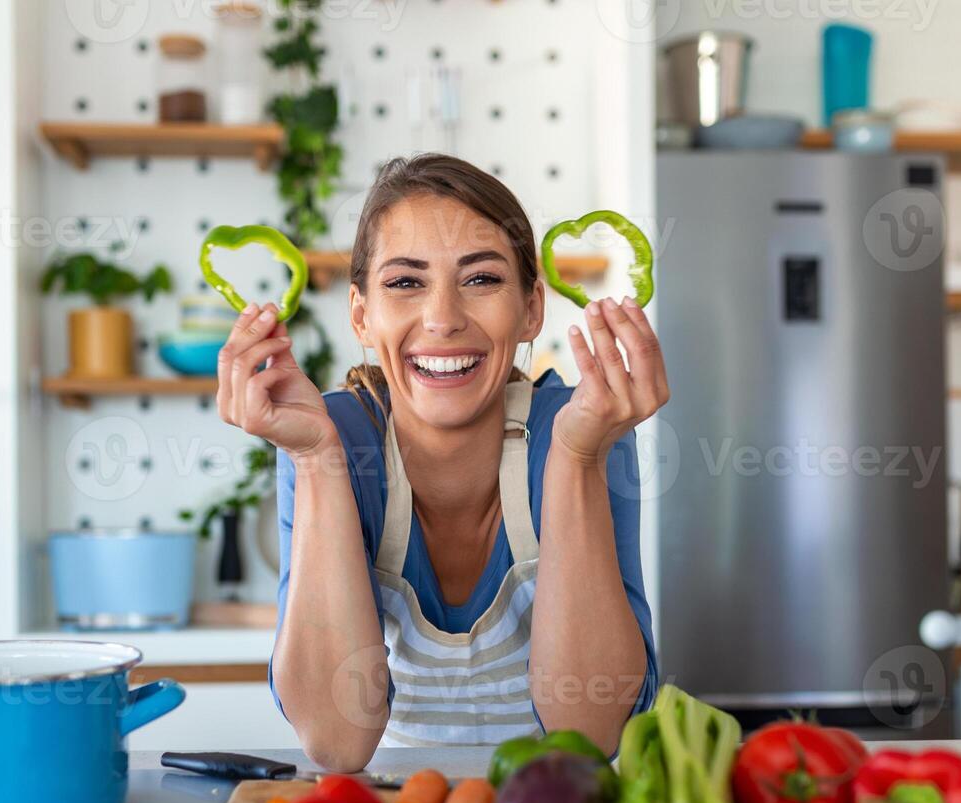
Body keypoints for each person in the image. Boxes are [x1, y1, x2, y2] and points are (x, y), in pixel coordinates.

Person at [216, 154, 668, 771]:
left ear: (533, 307)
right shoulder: (331, 436)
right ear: (361, 315)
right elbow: (334, 741)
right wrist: (314, 459)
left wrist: (577, 458)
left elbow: (589, 733)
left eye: (481, 279)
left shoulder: (585, 424)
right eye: (405, 283)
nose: (444, 319)